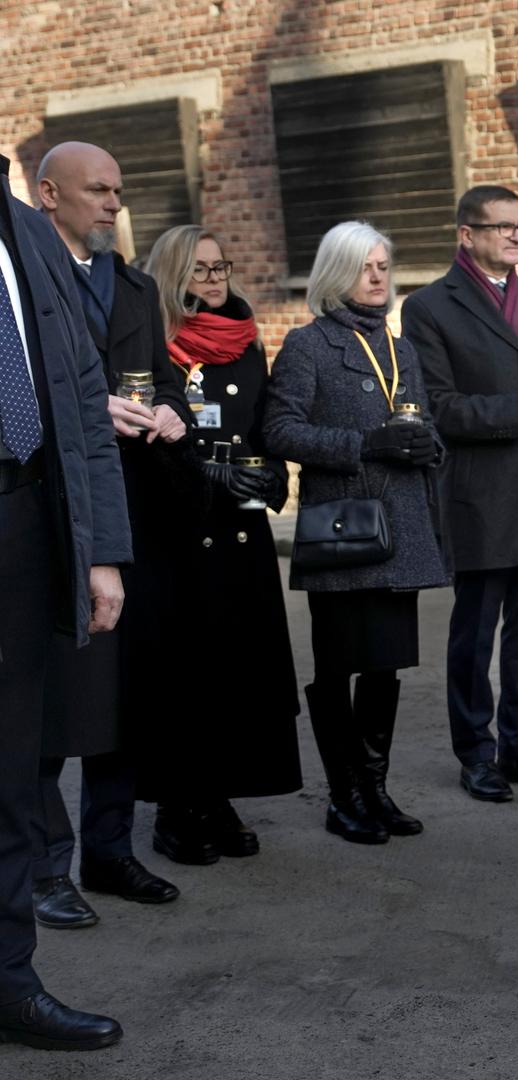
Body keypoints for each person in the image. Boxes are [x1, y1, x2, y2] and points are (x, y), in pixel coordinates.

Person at [32, 142, 188, 928]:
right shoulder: (22, 279)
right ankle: (43, 866)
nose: (113, 204)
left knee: (123, 693)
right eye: (98, 191)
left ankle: (110, 849)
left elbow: (160, 376)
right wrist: (94, 414)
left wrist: (169, 409)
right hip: (55, 508)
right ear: (48, 193)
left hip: (134, 507)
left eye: (119, 192)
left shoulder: (134, 287)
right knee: (56, 695)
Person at [0, 150, 129, 1052]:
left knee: (11, 774)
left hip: (23, 523)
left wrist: (103, 555)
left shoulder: (26, 235)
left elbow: (83, 401)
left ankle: (9, 983)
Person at [263, 221, 448, 844]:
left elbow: (428, 425)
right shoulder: (308, 345)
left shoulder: (403, 348)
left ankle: (376, 789)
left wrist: (428, 445)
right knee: (339, 665)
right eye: (365, 266)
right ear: (335, 273)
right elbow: (280, 431)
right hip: (341, 525)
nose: (378, 276)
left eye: (383, 265)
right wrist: (364, 445)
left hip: (402, 527)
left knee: (385, 668)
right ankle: (343, 797)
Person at [405, 185, 518, 800]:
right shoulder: (431, 306)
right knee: (475, 636)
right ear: (467, 235)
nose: (515, 236)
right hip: (482, 496)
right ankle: (475, 752)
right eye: (502, 226)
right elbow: (439, 409)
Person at [137, 224, 302, 864]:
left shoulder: (244, 340)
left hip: (240, 530)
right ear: (174, 277)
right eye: (200, 270)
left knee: (240, 671)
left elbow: (262, 425)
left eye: (219, 267)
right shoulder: (157, 343)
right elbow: (143, 443)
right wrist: (204, 475)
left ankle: (221, 795)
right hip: (179, 535)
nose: (214, 279)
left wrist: (271, 472)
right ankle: (178, 806)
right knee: (188, 677)